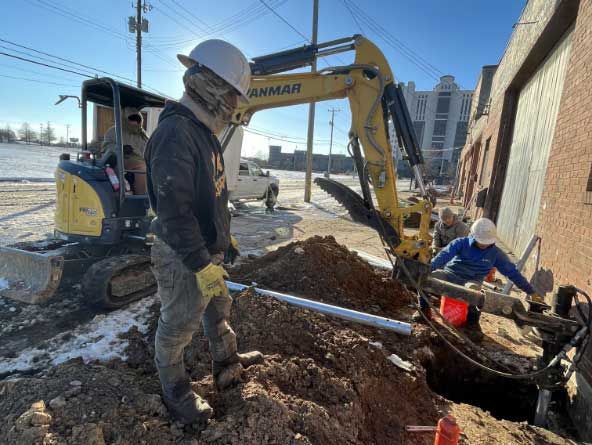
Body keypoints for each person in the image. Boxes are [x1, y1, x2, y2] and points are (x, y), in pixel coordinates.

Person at [144, 39, 263, 425]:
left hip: (203, 252)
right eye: (232, 96)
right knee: (178, 324)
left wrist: (222, 239)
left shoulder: (204, 136)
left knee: (217, 309)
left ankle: (226, 363)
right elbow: (174, 215)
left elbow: (211, 198)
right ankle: (175, 389)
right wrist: (200, 263)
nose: (233, 107)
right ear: (209, 87)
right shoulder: (175, 134)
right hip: (181, 255)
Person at [414, 218, 543, 334]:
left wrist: (530, 291)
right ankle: (423, 310)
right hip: (450, 274)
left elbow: (512, 273)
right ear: (473, 235)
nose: (484, 244)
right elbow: (443, 257)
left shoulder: (496, 254)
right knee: (426, 280)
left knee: (476, 293)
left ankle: (473, 324)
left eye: (486, 242)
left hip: (471, 281)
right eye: (481, 241)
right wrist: (429, 269)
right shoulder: (460, 243)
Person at [102, 107, 148, 194]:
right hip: (120, 158)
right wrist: (120, 148)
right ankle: (140, 197)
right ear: (125, 119)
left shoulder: (142, 134)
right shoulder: (115, 131)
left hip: (139, 159)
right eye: (131, 119)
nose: (134, 122)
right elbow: (107, 146)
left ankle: (152, 196)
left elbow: (148, 147)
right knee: (142, 167)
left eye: (137, 120)